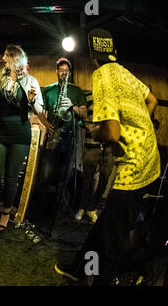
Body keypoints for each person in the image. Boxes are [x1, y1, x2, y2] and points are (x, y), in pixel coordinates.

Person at [54, 28, 160, 286]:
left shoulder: (101, 74)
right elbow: (153, 101)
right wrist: (139, 129)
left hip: (132, 171)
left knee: (112, 241)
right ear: (114, 51)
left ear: (93, 55)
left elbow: (110, 133)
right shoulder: (124, 72)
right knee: (106, 223)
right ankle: (79, 268)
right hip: (150, 160)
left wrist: (93, 129)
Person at [0, 44, 46, 232]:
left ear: (14, 59)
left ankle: (6, 213)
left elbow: (40, 111)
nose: (3, 60)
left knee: (11, 178)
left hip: (20, 133)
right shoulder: (1, 80)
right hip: (0, 131)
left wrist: (33, 100)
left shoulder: (30, 80)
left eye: (5, 57)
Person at [36, 58, 87, 228]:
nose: (64, 73)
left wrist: (73, 106)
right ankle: (41, 214)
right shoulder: (49, 90)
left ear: (70, 73)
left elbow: (84, 114)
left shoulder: (77, 91)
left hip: (68, 139)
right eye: (61, 70)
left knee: (63, 181)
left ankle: (58, 217)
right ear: (57, 72)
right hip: (52, 136)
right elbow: (40, 112)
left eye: (67, 70)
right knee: (44, 177)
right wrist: (46, 124)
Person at [75, 89, 114, 223]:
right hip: (91, 145)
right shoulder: (87, 95)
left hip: (108, 147)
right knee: (87, 180)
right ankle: (82, 207)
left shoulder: (112, 97)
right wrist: (86, 126)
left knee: (104, 180)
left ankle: (92, 209)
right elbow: (80, 120)